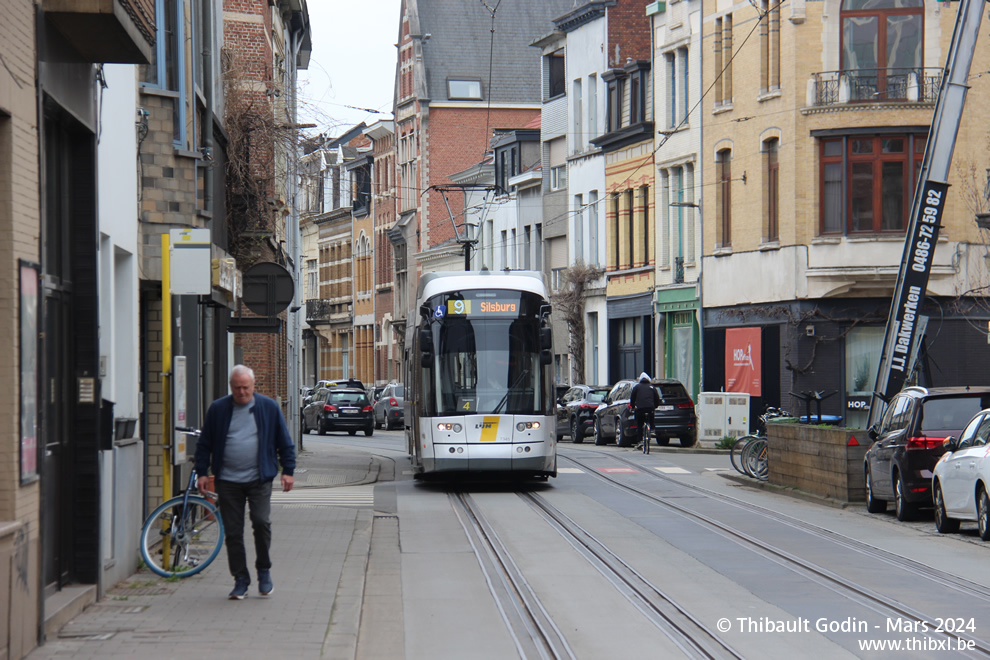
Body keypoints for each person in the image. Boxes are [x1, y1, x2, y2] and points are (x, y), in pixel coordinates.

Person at [195, 365, 296, 600]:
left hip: (259, 478)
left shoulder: (268, 407)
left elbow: (284, 441)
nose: (242, 392)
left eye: (246, 387)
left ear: (253, 385)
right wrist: (202, 472)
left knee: (261, 522)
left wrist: (288, 470)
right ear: (231, 387)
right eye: (237, 388)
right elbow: (204, 443)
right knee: (233, 531)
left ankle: (264, 571)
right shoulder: (218, 409)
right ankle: (240, 579)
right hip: (227, 480)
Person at [630, 372, 660, 449]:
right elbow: (657, 398)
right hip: (650, 408)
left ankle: (640, 441)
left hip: (640, 408)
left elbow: (632, 398)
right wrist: (655, 406)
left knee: (639, 424)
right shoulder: (652, 387)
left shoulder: (637, 387)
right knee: (651, 417)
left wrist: (633, 406)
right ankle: (652, 429)